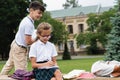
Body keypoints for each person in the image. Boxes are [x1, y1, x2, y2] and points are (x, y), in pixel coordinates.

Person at [0, 1, 45, 75]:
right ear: (31, 10)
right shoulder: (28, 24)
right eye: (39, 12)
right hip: (19, 49)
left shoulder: (27, 20)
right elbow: (28, 42)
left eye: (41, 13)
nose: (40, 15)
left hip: (16, 44)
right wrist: (38, 38)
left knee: (8, 65)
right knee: (21, 73)